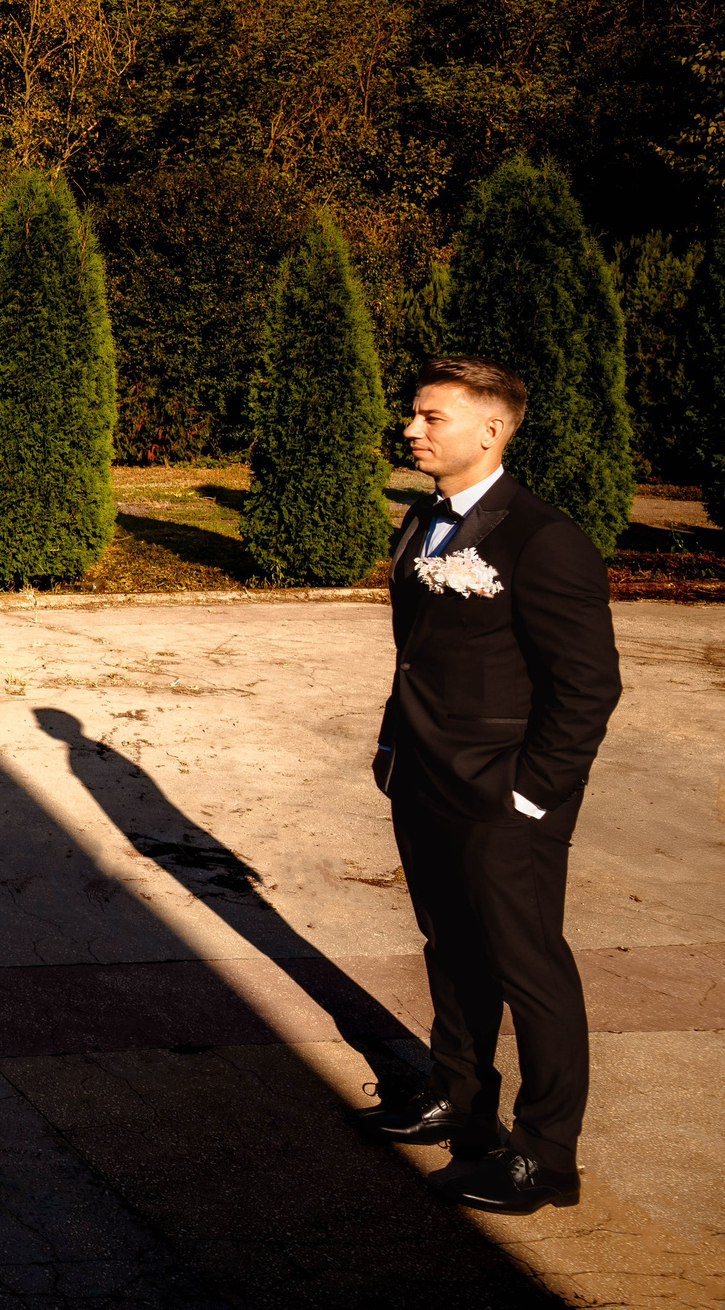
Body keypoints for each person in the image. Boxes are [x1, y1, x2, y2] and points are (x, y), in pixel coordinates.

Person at [349, 356, 620, 1213]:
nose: (411, 428)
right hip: (423, 779)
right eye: (413, 415)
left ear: (491, 429)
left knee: (528, 964)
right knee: (449, 945)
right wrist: (395, 743)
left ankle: (545, 1153)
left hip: (507, 795)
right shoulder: (421, 518)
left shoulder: (542, 538)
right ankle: (456, 1096)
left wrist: (530, 796)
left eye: (432, 416)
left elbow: (588, 687)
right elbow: (419, 652)